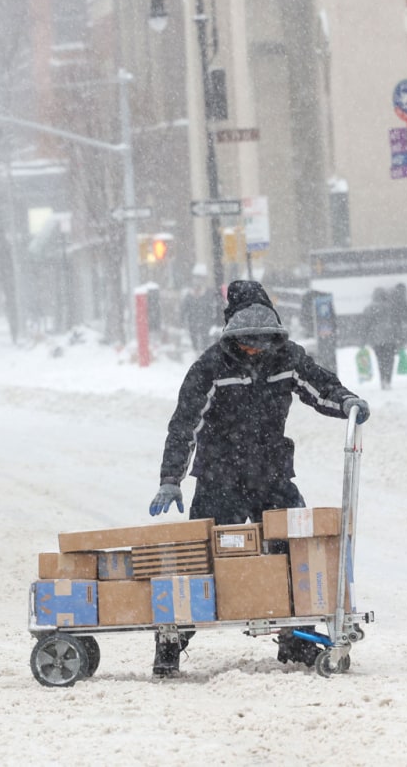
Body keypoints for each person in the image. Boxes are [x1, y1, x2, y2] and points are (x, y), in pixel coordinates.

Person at [148, 280, 369, 676]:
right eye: (246, 341)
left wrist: (347, 401)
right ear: (232, 332)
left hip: (272, 475)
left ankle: (297, 639)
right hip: (220, 478)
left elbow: (321, 387)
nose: (254, 348)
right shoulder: (210, 367)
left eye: (261, 340)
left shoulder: (286, 357)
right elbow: (185, 425)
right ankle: (171, 640)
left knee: (295, 556)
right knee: (204, 562)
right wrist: (171, 477)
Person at [360, 287, 407, 390]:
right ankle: (388, 380)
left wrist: (363, 339)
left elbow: (365, 325)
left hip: (376, 340)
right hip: (390, 339)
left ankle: (382, 379)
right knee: (390, 360)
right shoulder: (391, 308)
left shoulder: (369, 309)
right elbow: (397, 324)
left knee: (380, 360)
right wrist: (400, 337)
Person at [180, 266, 221, 352]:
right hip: (193, 325)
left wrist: (215, 321)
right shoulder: (189, 295)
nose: (198, 281)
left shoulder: (210, 293)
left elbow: (216, 309)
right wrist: (183, 321)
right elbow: (184, 310)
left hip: (206, 325)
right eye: (196, 278)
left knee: (205, 346)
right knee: (195, 345)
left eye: (200, 278)